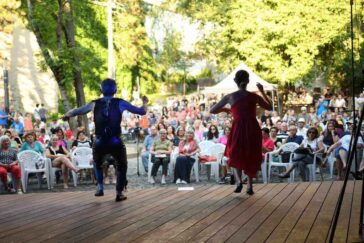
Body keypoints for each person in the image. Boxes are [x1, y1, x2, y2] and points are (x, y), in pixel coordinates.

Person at [62, 78, 148, 202]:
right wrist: (144, 102)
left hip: (100, 140)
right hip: (115, 141)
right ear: (115, 90)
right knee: (122, 165)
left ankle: (100, 187)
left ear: (101, 90)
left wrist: (66, 115)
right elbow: (141, 111)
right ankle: (119, 193)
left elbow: (77, 111)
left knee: (97, 163)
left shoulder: (94, 103)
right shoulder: (120, 102)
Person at [210, 70, 272, 195]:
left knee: (235, 153)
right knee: (251, 154)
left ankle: (239, 181)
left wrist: (226, 109)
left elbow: (213, 109)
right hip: (252, 127)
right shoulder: (254, 96)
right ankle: (249, 185)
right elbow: (270, 107)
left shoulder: (230, 96)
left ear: (235, 81)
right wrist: (262, 92)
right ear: (248, 80)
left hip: (238, 127)